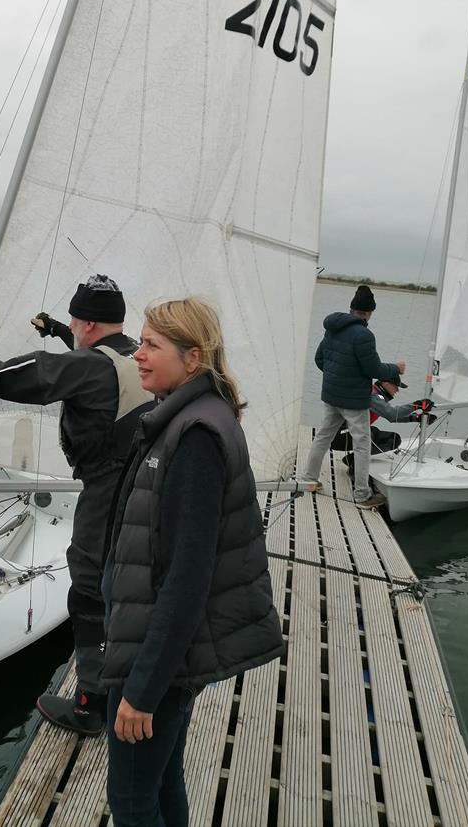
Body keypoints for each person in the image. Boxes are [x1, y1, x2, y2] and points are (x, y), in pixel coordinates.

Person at [0, 274, 153, 736]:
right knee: (123, 582)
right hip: (144, 486)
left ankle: (91, 705)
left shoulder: (88, 366)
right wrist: (58, 332)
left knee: (89, 590)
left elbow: (5, 378)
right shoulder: (137, 355)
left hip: (107, 493)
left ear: (87, 322)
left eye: (73, 321)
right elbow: (94, 357)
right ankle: (134, 674)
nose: (72, 326)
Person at [101, 298, 283, 827]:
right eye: (140, 341)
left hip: (156, 660)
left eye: (153, 345)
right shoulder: (189, 416)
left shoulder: (196, 436)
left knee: (132, 800)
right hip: (157, 650)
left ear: (193, 357)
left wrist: (143, 688)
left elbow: (187, 578)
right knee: (161, 782)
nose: (138, 354)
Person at [297, 284, 405, 509]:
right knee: (362, 445)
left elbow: (319, 359)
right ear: (369, 312)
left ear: (352, 308)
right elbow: (374, 369)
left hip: (331, 395)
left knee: (323, 436)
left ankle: (308, 479)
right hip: (354, 401)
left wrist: (337, 377)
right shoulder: (364, 335)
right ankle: (362, 495)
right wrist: (395, 369)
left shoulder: (332, 328)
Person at [333, 368, 437, 467]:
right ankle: (355, 468)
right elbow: (391, 413)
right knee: (370, 435)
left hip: (350, 434)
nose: (397, 391)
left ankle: (352, 460)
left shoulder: (377, 397)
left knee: (393, 439)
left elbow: (392, 417)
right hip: (337, 437)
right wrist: (417, 405)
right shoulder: (372, 396)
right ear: (386, 384)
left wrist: (416, 418)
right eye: (396, 387)